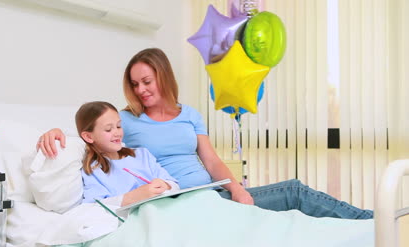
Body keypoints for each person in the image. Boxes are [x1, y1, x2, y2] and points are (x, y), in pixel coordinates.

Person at [38, 48, 372, 219]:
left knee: (292, 191)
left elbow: (211, 160)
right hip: (181, 200)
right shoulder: (128, 119)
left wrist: (238, 189)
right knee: (294, 192)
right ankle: (373, 222)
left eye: (147, 82)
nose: (140, 90)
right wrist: (55, 131)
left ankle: (372, 221)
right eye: (135, 84)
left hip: (213, 191)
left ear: (163, 77)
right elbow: (92, 129)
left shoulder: (191, 115)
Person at [75, 101, 179, 207]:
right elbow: (94, 207)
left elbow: (174, 185)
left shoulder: (142, 155)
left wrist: (165, 185)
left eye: (119, 126)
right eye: (108, 129)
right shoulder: (94, 169)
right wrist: (132, 197)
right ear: (88, 137)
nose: (117, 133)